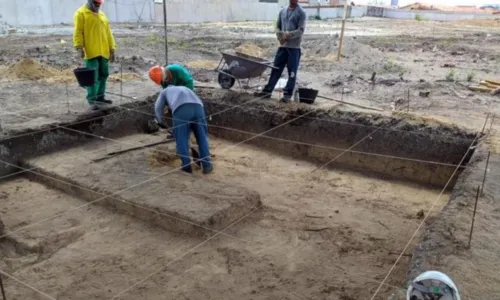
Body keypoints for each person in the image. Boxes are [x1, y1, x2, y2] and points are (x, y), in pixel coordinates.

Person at [255, 0, 306, 102]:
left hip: (294, 48)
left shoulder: (301, 13)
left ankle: (287, 95)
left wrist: (289, 35)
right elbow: (277, 26)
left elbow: (301, 30)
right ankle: (268, 91)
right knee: (276, 69)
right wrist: (280, 35)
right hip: (283, 47)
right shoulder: (282, 11)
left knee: (292, 73)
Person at [154, 85, 213, 174]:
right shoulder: (185, 88)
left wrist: (160, 121)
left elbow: (158, 108)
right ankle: (207, 165)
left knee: (181, 139)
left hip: (181, 109)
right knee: (202, 137)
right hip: (199, 108)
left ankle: (186, 166)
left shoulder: (164, 91)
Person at [73, 0, 116, 109]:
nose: (98, 5)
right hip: (91, 52)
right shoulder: (81, 13)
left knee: (104, 75)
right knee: (93, 77)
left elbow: (108, 33)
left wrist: (112, 48)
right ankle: (92, 100)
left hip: (104, 52)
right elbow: (78, 31)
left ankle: (100, 97)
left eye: (99, 4)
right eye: (96, 3)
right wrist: (79, 47)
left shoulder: (102, 15)